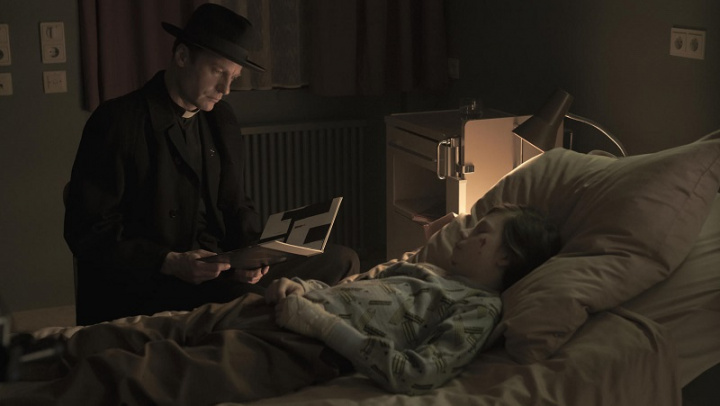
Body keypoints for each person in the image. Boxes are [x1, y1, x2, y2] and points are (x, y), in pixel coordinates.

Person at [2, 204, 561, 405]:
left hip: (303, 348)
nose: (467, 232)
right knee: (142, 334)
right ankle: (21, 356)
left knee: (145, 373)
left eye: (483, 232)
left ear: (506, 258)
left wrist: (316, 320)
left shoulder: (479, 310)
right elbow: (355, 290)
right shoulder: (426, 268)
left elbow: (414, 374)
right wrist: (304, 291)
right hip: (279, 309)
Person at [63, 3, 359, 326]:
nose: (226, 89)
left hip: (222, 266)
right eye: (218, 72)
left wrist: (254, 254)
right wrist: (170, 261)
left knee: (343, 261)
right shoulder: (117, 121)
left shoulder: (222, 119)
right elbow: (87, 232)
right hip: (157, 280)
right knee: (263, 307)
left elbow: (236, 203)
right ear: (182, 56)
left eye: (234, 77)